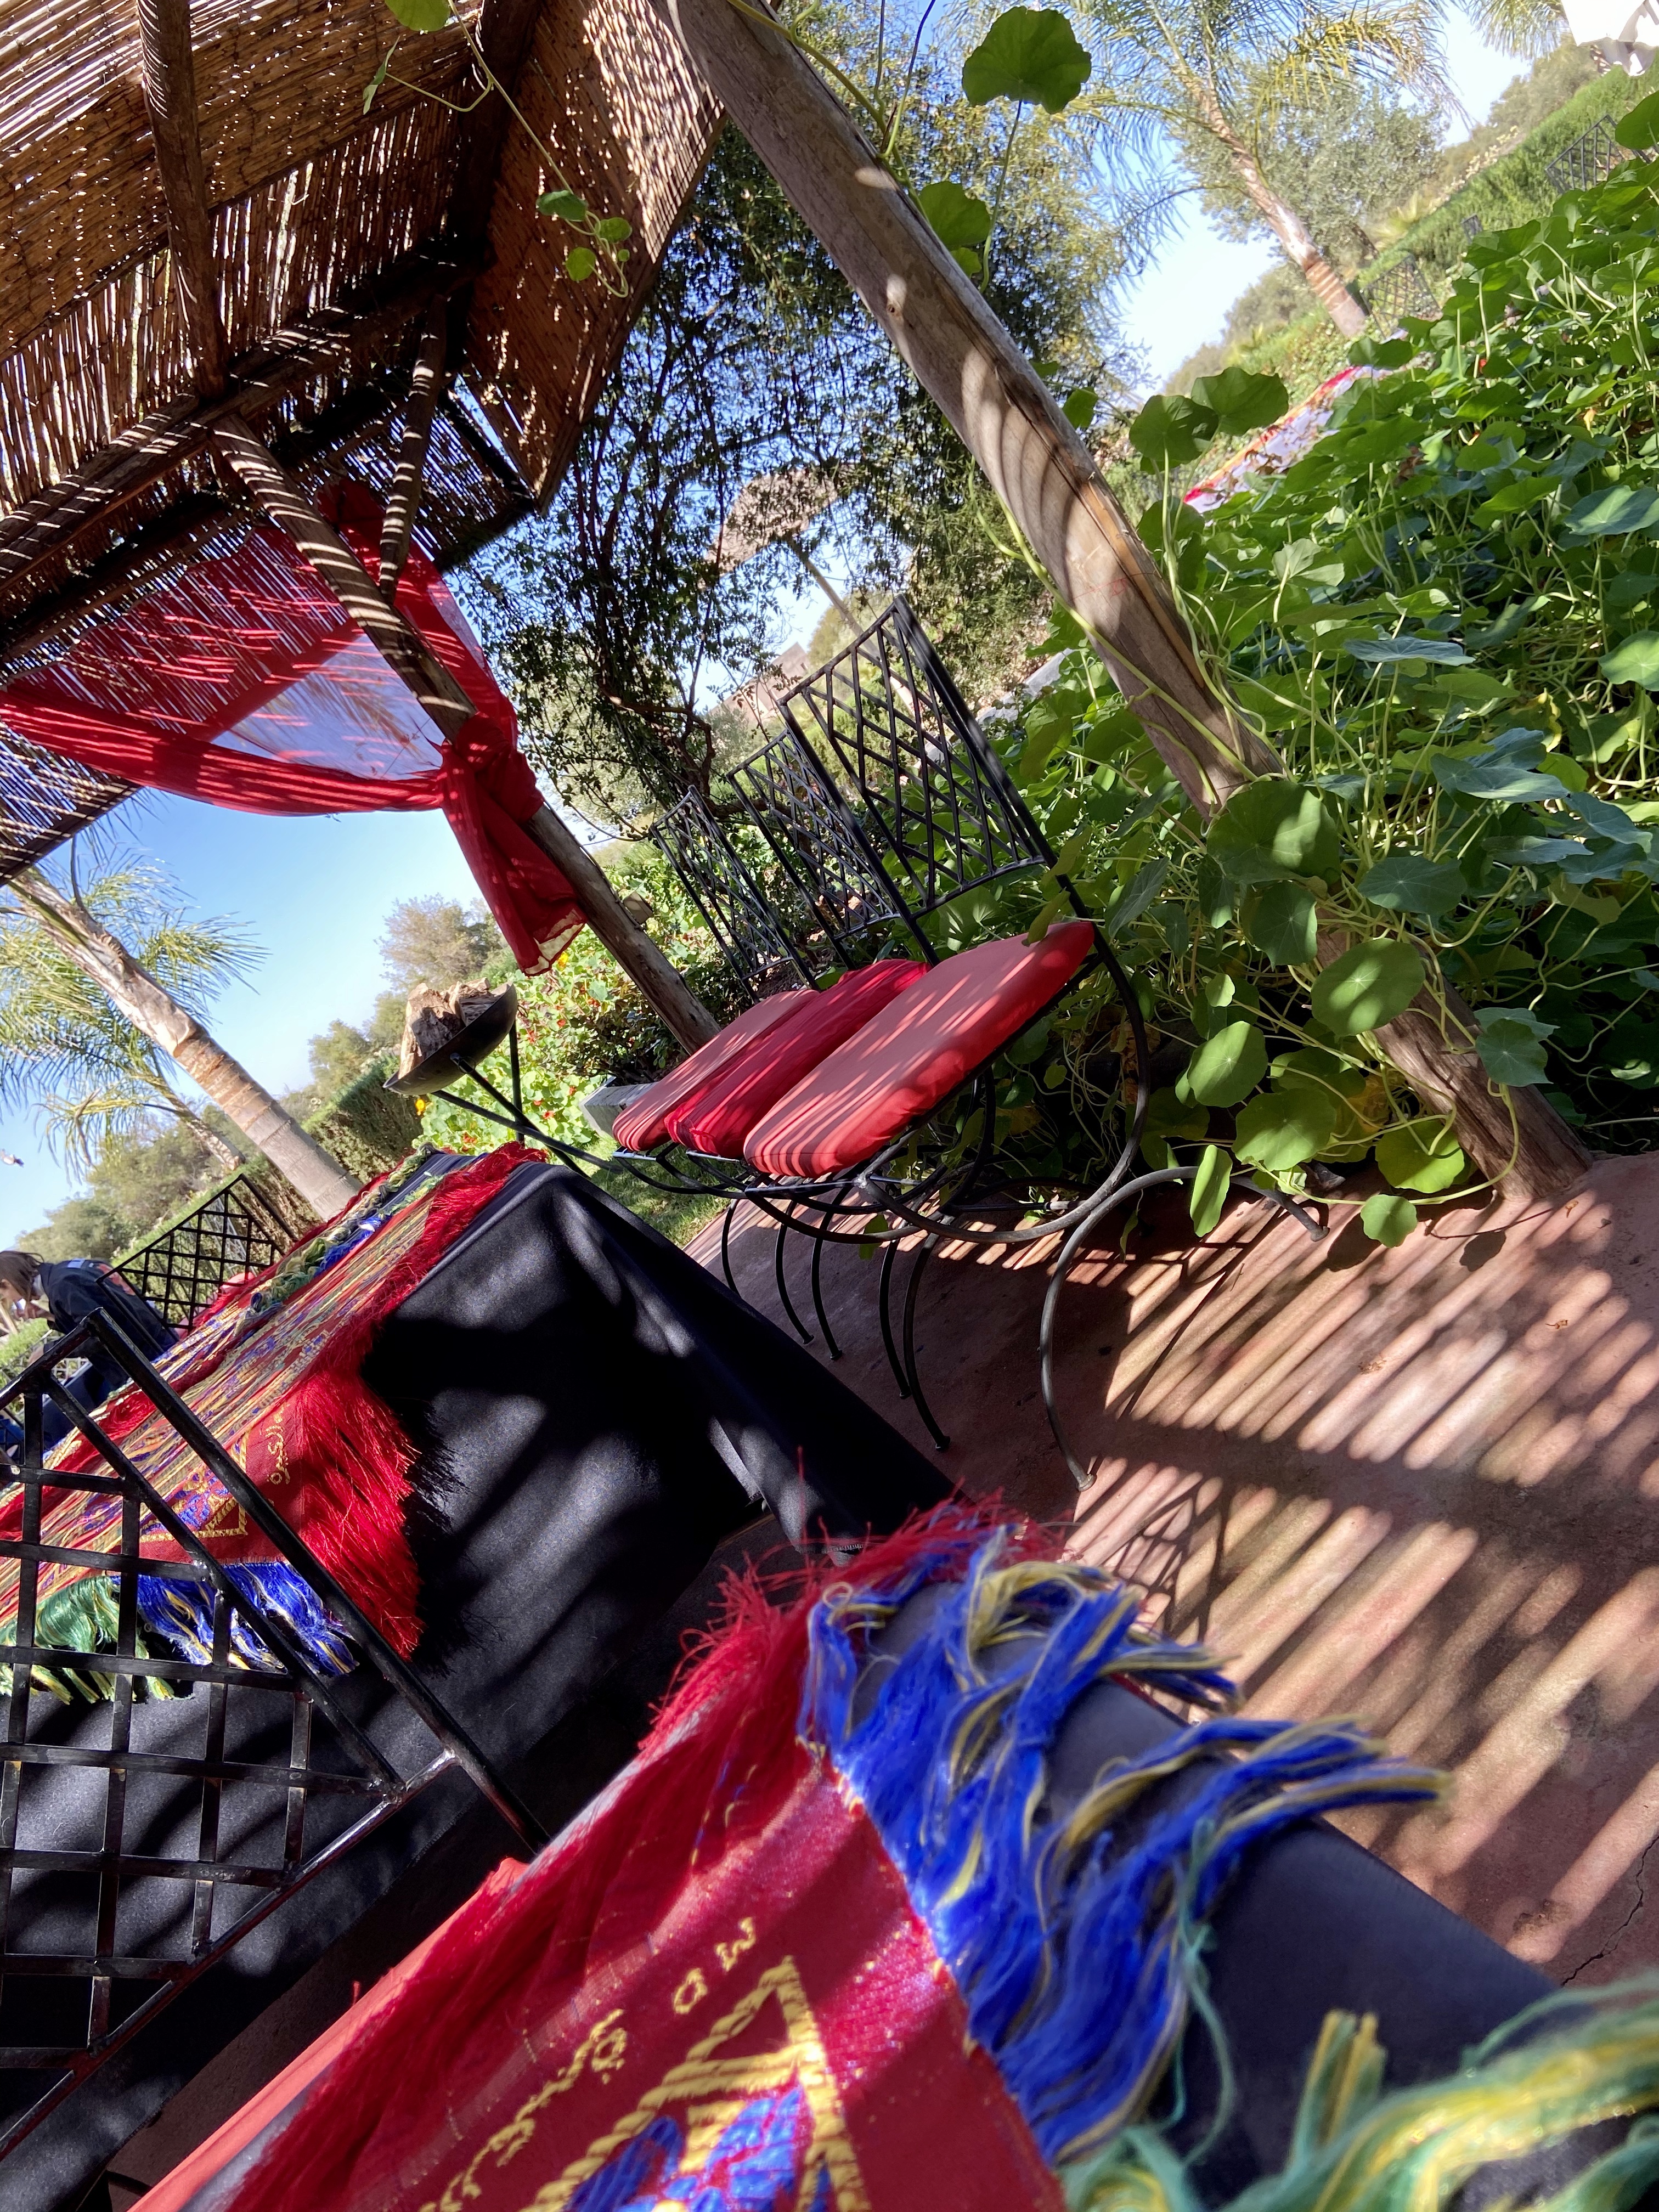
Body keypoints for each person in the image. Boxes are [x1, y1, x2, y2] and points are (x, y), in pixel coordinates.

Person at [0, 1250, 177, 1452]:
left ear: (7, 1283)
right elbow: (98, 1319)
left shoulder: (62, 1285)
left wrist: (48, 1351)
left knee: (88, 1418)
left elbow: (99, 1334)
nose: (8, 1299)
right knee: (88, 1394)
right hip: (155, 1339)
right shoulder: (66, 1270)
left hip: (147, 1361)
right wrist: (48, 1316)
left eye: (4, 1294)